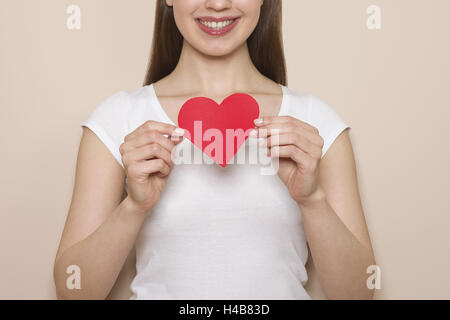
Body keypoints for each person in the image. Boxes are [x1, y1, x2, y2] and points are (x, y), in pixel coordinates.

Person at [54, 0, 376, 300]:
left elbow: (359, 293)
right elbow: (74, 289)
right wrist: (134, 208)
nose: (219, 4)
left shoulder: (314, 122)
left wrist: (312, 199)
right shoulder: (119, 118)